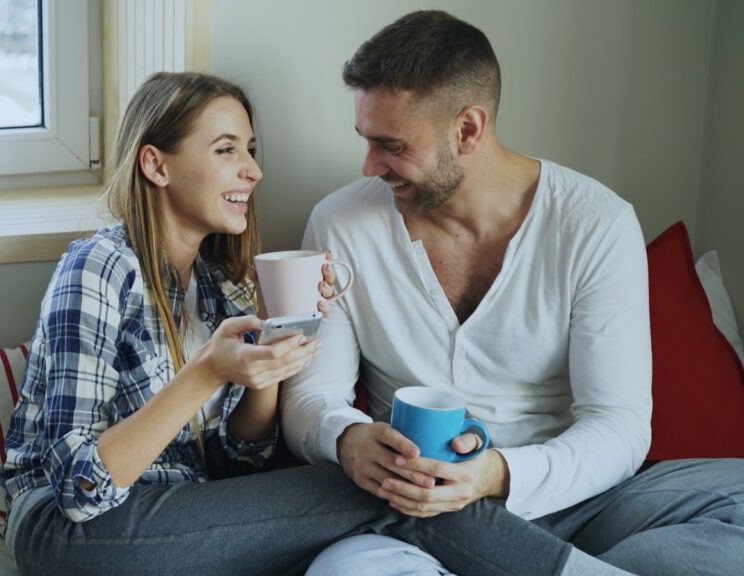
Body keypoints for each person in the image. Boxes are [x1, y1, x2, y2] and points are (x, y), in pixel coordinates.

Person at [0, 71, 614, 576]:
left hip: (172, 514)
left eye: (251, 150)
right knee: (390, 487)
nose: (253, 170)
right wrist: (206, 372)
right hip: (67, 532)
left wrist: (273, 350)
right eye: (226, 150)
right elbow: (79, 489)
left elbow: (239, 463)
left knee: (392, 490)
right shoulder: (100, 267)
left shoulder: (217, 289)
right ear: (156, 165)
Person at [282, 10, 744, 576]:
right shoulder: (340, 223)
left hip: (574, 506)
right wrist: (348, 438)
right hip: (407, 515)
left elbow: (618, 426)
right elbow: (310, 397)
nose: (370, 166)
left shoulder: (595, 223)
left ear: (468, 130)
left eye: (390, 145)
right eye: (366, 140)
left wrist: (499, 474)